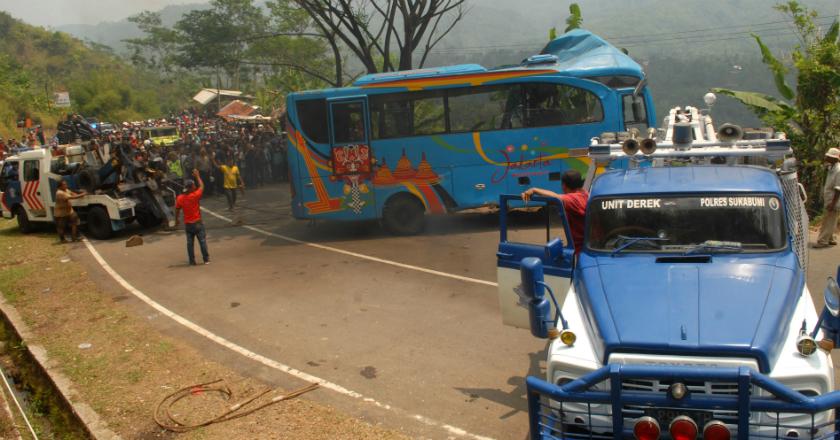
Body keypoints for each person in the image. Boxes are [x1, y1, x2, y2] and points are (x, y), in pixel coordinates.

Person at [521, 169, 589, 254]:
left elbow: (556, 197)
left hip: (581, 249)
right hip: (587, 244)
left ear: (564, 185)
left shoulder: (573, 199)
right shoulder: (585, 194)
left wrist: (534, 190)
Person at [174, 169, 210, 265]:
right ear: (190, 187)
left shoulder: (180, 198)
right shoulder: (195, 195)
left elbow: (177, 209)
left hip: (188, 224)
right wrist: (197, 176)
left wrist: (176, 220)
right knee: (202, 241)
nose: (195, 186)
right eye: (193, 185)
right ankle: (206, 259)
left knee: (190, 244)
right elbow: (202, 186)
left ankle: (192, 261)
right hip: (198, 223)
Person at [815, 148, 840, 248]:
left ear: (834, 158)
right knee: (832, 219)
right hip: (829, 197)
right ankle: (831, 238)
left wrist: (833, 203)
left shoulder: (838, 170)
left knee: (828, 220)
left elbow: (838, 189)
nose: (826, 158)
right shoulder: (831, 167)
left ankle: (822, 241)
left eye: (829, 156)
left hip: (834, 199)